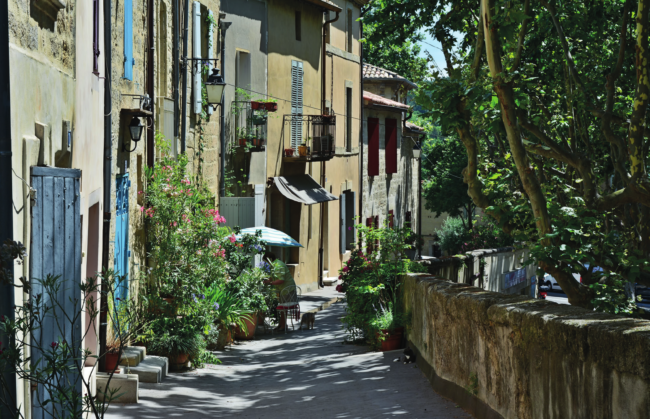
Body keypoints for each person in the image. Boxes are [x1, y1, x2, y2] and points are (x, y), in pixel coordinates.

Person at [263, 252, 296, 331]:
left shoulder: (278, 265)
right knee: (282, 308)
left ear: (269, 260)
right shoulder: (275, 265)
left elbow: (281, 280)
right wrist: (267, 281)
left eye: (266, 261)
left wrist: (270, 283)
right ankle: (281, 325)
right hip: (284, 289)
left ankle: (283, 326)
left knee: (284, 308)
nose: (266, 264)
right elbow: (273, 277)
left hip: (287, 289)